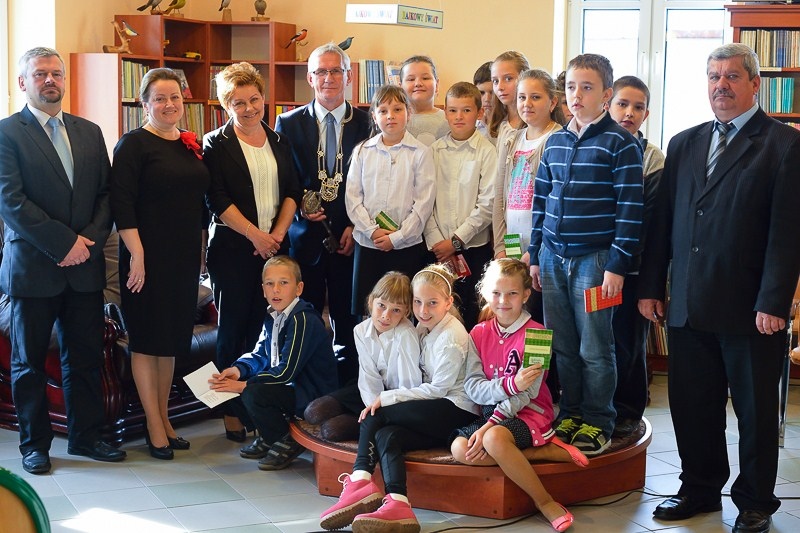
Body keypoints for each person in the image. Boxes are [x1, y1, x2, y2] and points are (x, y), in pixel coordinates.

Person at [639, 43, 800, 533]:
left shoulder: (783, 144)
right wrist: (651, 286)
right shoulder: (684, 143)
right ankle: (699, 488)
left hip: (751, 311)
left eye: (731, 76)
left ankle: (755, 503)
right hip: (689, 303)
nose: (721, 85)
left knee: (754, 415)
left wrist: (774, 300)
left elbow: (787, 233)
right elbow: (663, 222)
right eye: (713, 76)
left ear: (754, 84)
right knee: (693, 407)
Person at [0, 46, 126, 474]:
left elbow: (106, 195)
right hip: (33, 270)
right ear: (23, 82)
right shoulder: (7, 133)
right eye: (40, 74)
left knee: (85, 359)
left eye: (56, 73)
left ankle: (86, 437)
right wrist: (64, 244)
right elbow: (11, 201)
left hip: (85, 267)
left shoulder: (89, 131)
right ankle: (34, 445)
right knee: (28, 363)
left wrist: (86, 242)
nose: (50, 80)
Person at [528, 54, 643, 456]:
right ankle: (572, 412)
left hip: (595, 264)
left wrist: (617, 265)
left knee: (595, 347)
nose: (576, 95)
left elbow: (630, 209)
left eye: (587, 87)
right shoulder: (555, 141)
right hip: (552, 259)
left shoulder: (621, 143)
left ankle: (598, 419)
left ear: (606, 95)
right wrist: (534, 255)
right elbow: (541, 202)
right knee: (562, 344)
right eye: (571, 87)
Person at [319, 264, 477, 533]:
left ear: (448, 302)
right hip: (434, 408)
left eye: (432, 303)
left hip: (456, 409)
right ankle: (398, 503)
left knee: (378, 414)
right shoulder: (426, 327)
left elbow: (438, 389)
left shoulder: (451, 336)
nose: (423, 310)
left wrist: (387, 397)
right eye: (418, 302)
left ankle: (360, 480)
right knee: (386, 435)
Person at [111, 67, 210, 460]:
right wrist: (137, 256)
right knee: (146, 341)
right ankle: (153, 425)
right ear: (145, 104)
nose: (169, 104)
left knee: (169, 342)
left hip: (182, 258)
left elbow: (199, 206)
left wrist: (200, 251)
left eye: (175, 97)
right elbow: (122, 204)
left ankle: (165, 420)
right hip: (145, 257)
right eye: (160, 98)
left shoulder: (189, 144)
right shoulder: (133, 145)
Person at [204, 62, 302, 443]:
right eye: (238, 102)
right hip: (233, 250)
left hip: (275, 249)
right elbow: (216, 199)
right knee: (233, 330)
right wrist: (255, 236)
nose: (248, 109)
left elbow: (292, 190)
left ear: (264, 98)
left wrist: (276, 235)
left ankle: (259, 405)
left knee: (269, 331)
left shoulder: (278, 140)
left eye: (255, 99)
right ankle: (230, 411)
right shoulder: (215, 144)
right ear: (225, 105)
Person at [452, 259, 588, 532]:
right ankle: (541, 452)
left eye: (512, 293)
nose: (503, 301)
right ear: (486, 293)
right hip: (492, 413)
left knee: (493, 438)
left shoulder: (538, 334)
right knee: (459, 449)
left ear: (526, 295)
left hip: (528, 413)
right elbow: (473, 386)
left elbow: (529, 393)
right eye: (496, 293)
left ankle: (546, 502)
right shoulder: (477, 332)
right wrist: (510, 384)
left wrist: (492, 421)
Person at [275, 43, 371, 386]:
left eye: (335, 71)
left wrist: (356, 226)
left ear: (348, 76)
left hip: (351, 239)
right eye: (321, 72)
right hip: (305, 240)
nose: (328, 78)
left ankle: (345, 393)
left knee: (350, 321)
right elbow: (283, 178)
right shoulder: (287, 123)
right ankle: (307, 393)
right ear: (310, 78)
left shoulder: (368, 122)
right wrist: (301, 204)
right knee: (306, 321)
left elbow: (374, 183)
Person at [209, 255, 339, 471]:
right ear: (263, 290)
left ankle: (286, 440)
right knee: (238, 385)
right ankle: (270, 437)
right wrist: (238, 370)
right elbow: (260, 353)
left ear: (299, 288)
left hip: (312, 395)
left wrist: (243, 386)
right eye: (270, 284)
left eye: (283, 283)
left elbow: (286, 371)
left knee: (251, 392)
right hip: (290, 388)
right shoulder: (272, 316)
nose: (276, 290)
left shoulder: (302, 319)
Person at [607, 75, 665, 437]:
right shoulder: (595, 146)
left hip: (632, 268)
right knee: (596, 343)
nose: (629, 112)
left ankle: (627, 413)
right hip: (593, 267)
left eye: (638, 107)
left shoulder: (652, 158)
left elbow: (649, 220)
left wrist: (622, 260)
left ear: (646, 113)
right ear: (608, 105)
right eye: (622, 104)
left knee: (627, 343)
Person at [345, 84, 436, 316]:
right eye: (383, 111)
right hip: (369, 244)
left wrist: (396, 237)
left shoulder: (420, 153)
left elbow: (423, 204)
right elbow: (353, 198)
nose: (390, 116)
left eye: (397, 109)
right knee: (369, 312)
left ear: (408, 113)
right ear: (374, 117)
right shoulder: (362, 151)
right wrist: (372, 231)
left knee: (402, 310)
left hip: (406, 246)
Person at [304, 271, 421, 441]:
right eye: (381, 305)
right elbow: (368, 375)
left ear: (406, 312)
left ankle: (372, 423)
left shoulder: (406, 334)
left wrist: (380, 411)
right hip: (370, 391)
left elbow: (409, 384)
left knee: (331, 430)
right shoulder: (360, 330)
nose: (386, 316)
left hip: (397, 398)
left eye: (396, 310)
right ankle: (364, 417)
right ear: (371, 301)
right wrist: (371, 407)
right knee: (313, 412)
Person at [492, 69, 563, 333]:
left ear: (552, 102)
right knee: (515, 319)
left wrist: (536, 250)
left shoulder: (558, 140)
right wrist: (500, 246)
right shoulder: (511, 140)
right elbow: (499, 196)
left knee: (539, 321)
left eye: (536, 97)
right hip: (512, 245)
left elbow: (555, 205)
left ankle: (543, 363)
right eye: (522, 97)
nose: (527, 104)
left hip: (542, 250)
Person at [424, 81, 497, 329]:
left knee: (471, 313)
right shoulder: (434, 151)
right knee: (437, 312)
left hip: (472, 250)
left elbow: (487, 204)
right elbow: (425, 201)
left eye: (466, 110)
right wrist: (438, 243)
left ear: (479, 112)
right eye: (453, 110)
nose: (459, 117)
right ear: (445, 112)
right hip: (437, 249)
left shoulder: (486, 152)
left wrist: (455, 242)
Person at [401, 55, 449, 146]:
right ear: (400, 87)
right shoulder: (394, 121)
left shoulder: (450, 120)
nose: (418, 83)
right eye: (411, 79)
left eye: (425, 78)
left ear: (437, 85)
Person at [487, 51, 530, 146]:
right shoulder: (496, 126)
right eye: (495, 81)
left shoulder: (535, 124)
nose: (500, 87)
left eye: (508, 79)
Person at [473, 61, 494, 141]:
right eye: (481, 93)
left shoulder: (508, 127)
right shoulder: (472, 125)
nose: (487, 99)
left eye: (492, 93)